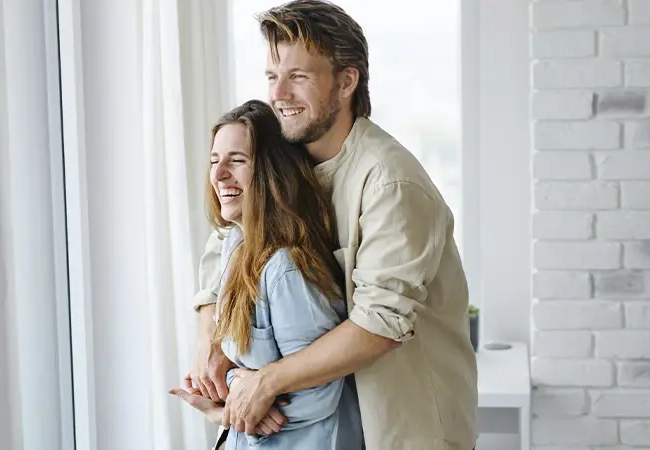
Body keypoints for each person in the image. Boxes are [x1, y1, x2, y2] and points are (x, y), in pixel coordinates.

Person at [186, 1, 478, 448]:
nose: (278, 94)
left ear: (346, 81)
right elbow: (228, 243)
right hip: (322, 427)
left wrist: (265, 383)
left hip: (402, 430)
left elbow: (380, 322)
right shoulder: (289, 162)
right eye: (272, 76)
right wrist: (210, 342)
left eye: (298, 76)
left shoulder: (389, 183)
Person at [169, 99, 364, 449]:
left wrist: (236, 401)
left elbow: (319, 394)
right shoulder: (235, 249)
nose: (218, 175)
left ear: (271, 172)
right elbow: (239, 372)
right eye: (214, 161)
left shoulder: (286, 270)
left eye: (237, 161)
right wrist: (238, 386)